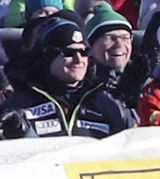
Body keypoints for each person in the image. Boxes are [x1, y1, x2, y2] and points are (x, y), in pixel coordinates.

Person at [2, 16, 136, 138]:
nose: (79, 60)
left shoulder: (102, 99)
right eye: (69, 53)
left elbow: (132, 141)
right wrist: (18, 133)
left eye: (84, 52)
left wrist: (131, 100)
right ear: (49, 56)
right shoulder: (21, 102)